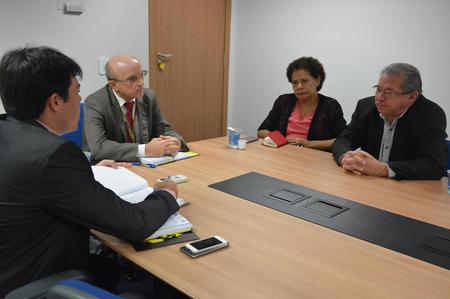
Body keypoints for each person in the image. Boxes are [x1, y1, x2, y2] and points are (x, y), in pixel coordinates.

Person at [0, 46, 180, 296]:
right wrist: (167, 195)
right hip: (38, 279)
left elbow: (33, 179)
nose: (80, 101)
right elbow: (133, 224)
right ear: (55, 102)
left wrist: (89, 167)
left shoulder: (8, 129)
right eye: (77, 92)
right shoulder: (55, 155)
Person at [332, 63, 447, 180]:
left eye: (388, 92)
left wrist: (383, 169)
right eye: (378, 89)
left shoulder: (430, 115)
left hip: (406, 189)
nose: (379, 98)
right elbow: (343, 139)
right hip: (369, 184)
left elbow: (434, 166)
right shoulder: (366, 107)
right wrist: (346, 157)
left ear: (412, 97)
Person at [83, 54, 188, 162]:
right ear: (114, 85)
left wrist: (176, 141)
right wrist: (145, 150)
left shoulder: (148, 96)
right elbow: (99, 147)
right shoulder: (95, 103)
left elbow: (163, 129)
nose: (141, 83)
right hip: (111, 166)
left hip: (145, 164)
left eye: (142, 75)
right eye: (132, 79)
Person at [257, 57, 346, 151]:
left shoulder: (330, 106)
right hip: (282, 154)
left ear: (317, 81)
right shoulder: (283, 101)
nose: (299, 86)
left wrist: (309, 144)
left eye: (304, 81)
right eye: (295, 82)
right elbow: (261, 131)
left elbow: (343, 140)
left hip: (315, 159)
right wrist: (280, 140)